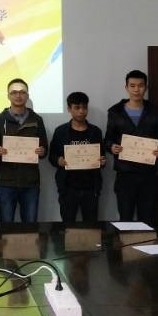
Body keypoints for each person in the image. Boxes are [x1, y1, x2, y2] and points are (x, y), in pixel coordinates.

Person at [104, 70, 158, 226]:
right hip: (125, 174)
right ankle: (126, 243)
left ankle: (147, 243)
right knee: (125, 218)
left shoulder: (155, 111)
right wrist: (112, 147)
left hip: (148, 174)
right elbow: (108, 139)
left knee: (148, 219)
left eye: (140, 86)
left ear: (146, 87)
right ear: (126, 88)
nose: (136, 89)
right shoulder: (115, 112)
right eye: (132, 86)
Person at [0, 78, 48, 223]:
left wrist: (42, 151)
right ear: (8, 95)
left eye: (22, 92)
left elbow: (45, 149)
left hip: (30, 182)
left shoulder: (37, 119)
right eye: (14, 92)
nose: (18, 95)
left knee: (30, 224)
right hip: (6, 182)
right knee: (6, 224)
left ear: (27, 95)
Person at [49, 91, 106, 222]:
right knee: (67, 227)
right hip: (68, 188)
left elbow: (102, 156)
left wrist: (102, 161)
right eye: (77, 107)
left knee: (91, 227)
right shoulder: (61, 131)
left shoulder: (95, 131)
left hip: (91, 188)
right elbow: (52, 156)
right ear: (69, 109)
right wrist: (58, 160)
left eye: (84, 107)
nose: (81, 111)